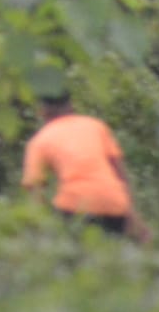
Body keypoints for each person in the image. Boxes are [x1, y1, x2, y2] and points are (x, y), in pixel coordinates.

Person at [21, 92, 152, 244]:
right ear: (71, 106)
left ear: (42, 111)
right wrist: (134, 219)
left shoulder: (39, 141)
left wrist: (37, 233)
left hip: (74, 205)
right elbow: (121, 176)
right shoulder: (96, 126)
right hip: (114, 205)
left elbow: (36, 194)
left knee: (74, 260)